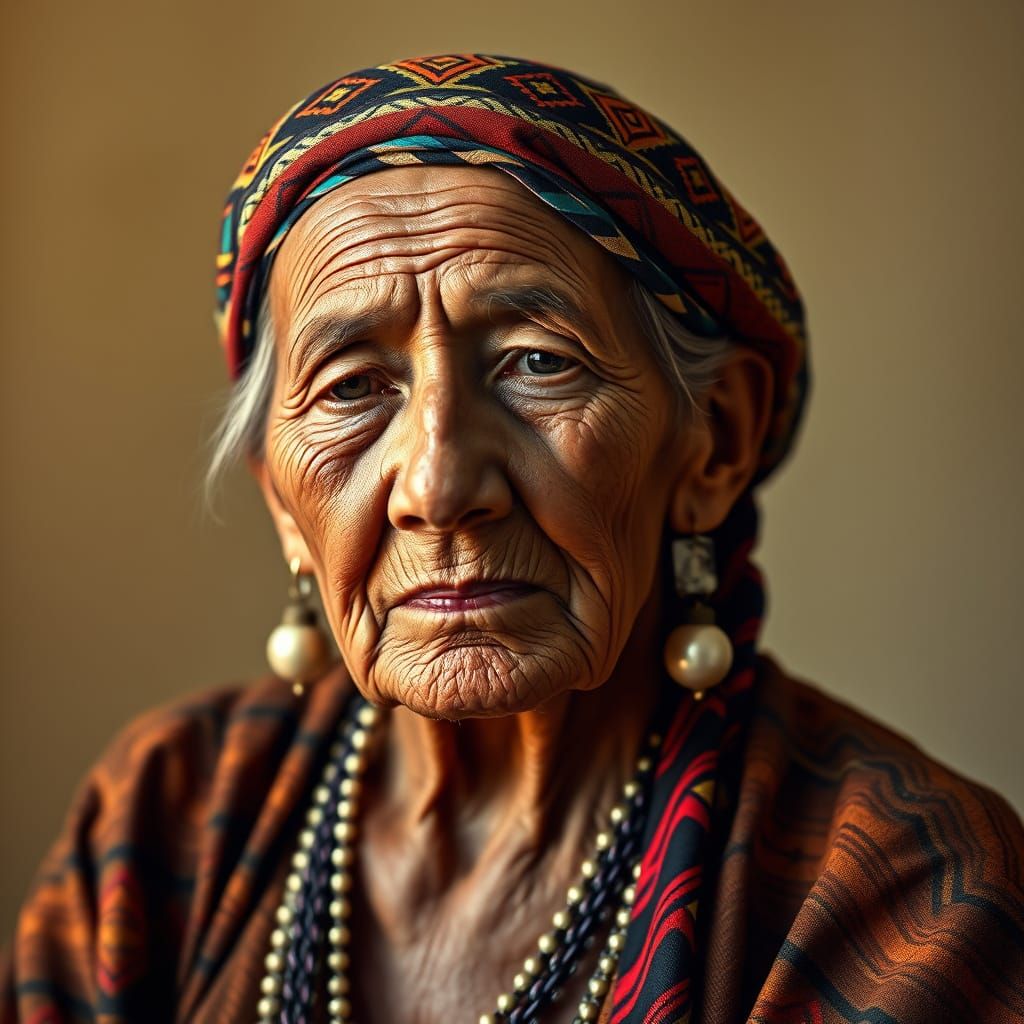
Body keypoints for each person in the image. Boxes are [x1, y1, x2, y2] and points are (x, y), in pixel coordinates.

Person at [3, 53, 1022, 1024]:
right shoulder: (160, 822)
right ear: (281, 502)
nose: (438, 484)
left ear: (714, 441)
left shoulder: (904, 889)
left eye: (537, 362)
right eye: (353, 387)